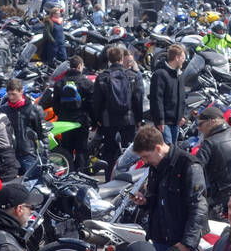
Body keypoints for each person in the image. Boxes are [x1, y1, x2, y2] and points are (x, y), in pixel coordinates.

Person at [133, 125, 207, 251]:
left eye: (145, 156)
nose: (144, 161)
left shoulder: (188, 165)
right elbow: (157, 199)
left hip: (181, 245)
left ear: (158, 148)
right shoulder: (156, 166)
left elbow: (198, 206)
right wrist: (145, 202)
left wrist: (187, 244)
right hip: (161, 240)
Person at [91, 46, 143, 175]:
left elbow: (96, 102)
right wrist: (138, 119)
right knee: (130, 152)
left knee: (109, 152)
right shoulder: (132, 76)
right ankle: (128, 178)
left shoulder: (102, 77)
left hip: (108, 121)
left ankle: (109, 178)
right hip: (128, 120)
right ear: (122, 59)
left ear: (109, 59)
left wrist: (96, 120)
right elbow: (137, 99)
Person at [52, 55, 94, 173]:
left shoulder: (59, 83)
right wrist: (93, 120)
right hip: (81, 121)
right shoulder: (86, 82)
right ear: (80, 66)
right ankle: (82, 175)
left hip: (65, 122)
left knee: (67, 149)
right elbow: (92, 105)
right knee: (81, 150)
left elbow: (55, 106)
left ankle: (67, 175)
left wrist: (62, 115)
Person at [0, 78, 46, 177]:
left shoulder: (34, 109)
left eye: (14, 94)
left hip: (28, 154)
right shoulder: (3, 110)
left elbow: (43, 134)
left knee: (33, 183)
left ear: (21, 92)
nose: (11, 97)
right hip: (10, 155)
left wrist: (46, 155)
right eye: (9, 94)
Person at [148, 45, 187, 145]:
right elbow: (156, 99)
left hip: (176, 123)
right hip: (164, 123)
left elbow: (182, 98)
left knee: (173, 150)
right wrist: (160, 120)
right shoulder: (160, 74)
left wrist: (182, 116)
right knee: (166, 152)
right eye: (183, 58)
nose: (184, 60)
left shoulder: (180, 75)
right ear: (177, 58)